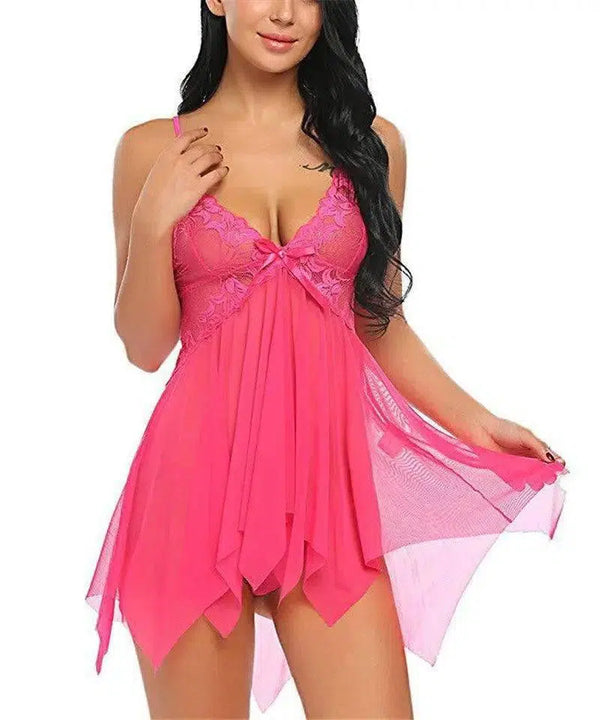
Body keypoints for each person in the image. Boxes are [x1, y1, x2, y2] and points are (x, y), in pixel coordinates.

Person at [85, 1, 568, 717]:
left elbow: (376, 321)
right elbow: (144, 346)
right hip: (190, 497)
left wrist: (477, 422)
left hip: (326, 501)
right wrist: (155, 217)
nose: (284, 13)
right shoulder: (151, 149)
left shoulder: (371, 146)